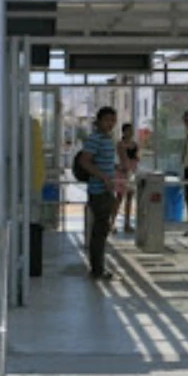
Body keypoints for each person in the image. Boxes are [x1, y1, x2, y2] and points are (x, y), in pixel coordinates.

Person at [78, 106, 117, 280]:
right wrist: (104, 177)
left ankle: (99, 266)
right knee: (100, 230)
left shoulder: (107, 138)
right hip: (99, 190)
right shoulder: (95, 139)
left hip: (107, 189)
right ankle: (97, 269)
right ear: (99, 120)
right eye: (107, 120)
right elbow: (85, 161)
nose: (110, 123)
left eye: (113, 120)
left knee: (103, 228)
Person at [112, 123, 139, 233]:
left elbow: (137, 157)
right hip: (123, 173)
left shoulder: (134, 144)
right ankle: (112, 222)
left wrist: (133, 169)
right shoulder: (120, 144)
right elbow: (122, 157)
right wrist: (126, 168)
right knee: (119, 198)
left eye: (131, 130)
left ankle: (127, 224)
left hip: (132, 172)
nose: (130, 132)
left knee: (129, 198)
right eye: (128, 130)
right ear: (124, 131)